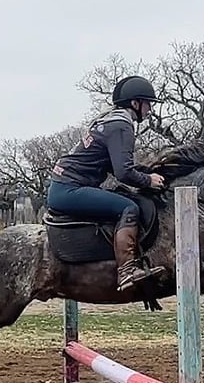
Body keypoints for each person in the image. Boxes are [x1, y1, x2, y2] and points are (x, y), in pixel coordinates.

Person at [47, 75, 166, 292]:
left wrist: (146, 173)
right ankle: (127, 272)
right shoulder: (122, 126)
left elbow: (115, 166)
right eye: (148, 103)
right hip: (70, 189)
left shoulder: (109, 121)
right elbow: (123, 172)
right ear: (135, 103)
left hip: (64, 186)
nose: (150, 109)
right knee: (128, 207)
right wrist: (148, 180)